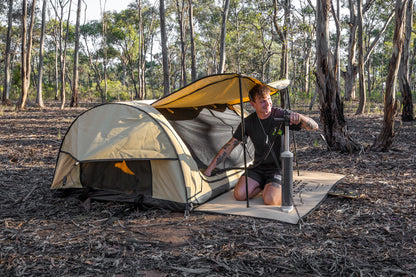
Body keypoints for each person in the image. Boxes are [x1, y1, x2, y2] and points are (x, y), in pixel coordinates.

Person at [203, 84, 319, 205]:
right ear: (253, 104)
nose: (268, 104)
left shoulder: (281, 115)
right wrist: (209, 170)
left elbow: (314, 126)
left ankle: (272, 188)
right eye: (263, 101)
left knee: (270, 199)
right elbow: (230, 145)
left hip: (278, 168)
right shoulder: (248, 122)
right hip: (258, 167)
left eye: (269, 99)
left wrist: (300, 117)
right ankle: (264, 186)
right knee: (239, 195)